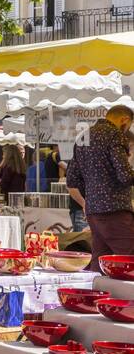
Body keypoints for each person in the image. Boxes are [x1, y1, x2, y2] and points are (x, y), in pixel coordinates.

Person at [65, 105, 134, 270]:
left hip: (93, 211)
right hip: (115, 209)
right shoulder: (115, 135)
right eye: (129, 126)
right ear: (124, 120)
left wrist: (90, 196)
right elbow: (124, 175)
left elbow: (72, 178)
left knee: (100, 261)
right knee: (129, 257)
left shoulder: (83, 137)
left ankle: (97, 294)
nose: (126, 130)